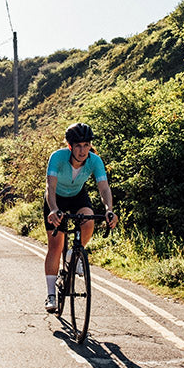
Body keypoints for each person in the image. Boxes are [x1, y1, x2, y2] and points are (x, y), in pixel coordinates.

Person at [44, 122, 118, 313]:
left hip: (77, 196)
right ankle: (51, 295)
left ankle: (74, 254)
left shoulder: (95, 161)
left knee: (89, 218)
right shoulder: (58, 158)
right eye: (78, 145)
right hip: (56, 199)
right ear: (70, 146)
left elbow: (103, 187)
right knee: (55, 246)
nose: (82, 150)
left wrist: (109, 209)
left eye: (86, 145)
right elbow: (50, 188)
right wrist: (53, 209)